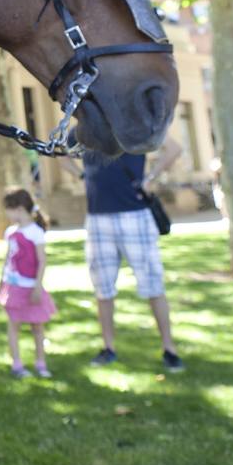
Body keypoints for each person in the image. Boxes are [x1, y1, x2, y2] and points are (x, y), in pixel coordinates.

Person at [75, 137, 185, 371]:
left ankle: (169, 349)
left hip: (134, 215)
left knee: (153, 284)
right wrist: (80, 174)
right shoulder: (86, 124)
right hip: (97, 218)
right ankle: (108, 348)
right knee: (102, 289)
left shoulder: (133, 123)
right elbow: (58, 148)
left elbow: (174, 148)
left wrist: (151, 177)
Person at [0, 188, 55, 377]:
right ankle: (17, 364)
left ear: (19, 208)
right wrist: (1, 282)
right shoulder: (10, 232)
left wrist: (38, 285)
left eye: (8, 208)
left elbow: (42, 260)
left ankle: (40, 363)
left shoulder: (36, 232)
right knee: (14, 325)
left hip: (30, 286)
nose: (7, 213)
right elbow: (8, 259)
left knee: (37, 326)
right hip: (13, 287)